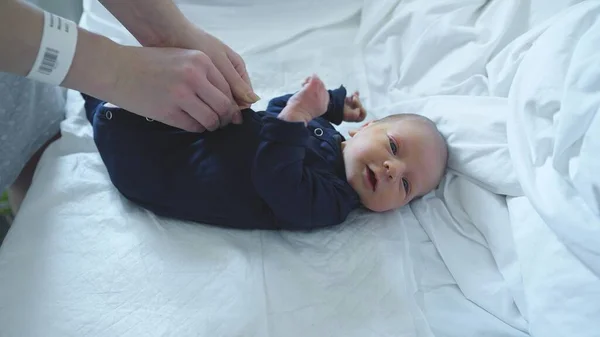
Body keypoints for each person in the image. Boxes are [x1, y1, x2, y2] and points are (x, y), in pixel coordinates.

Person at [82, 74, 448, 231]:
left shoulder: (333, 200)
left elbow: (276, 176)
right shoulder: (329, 134)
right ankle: (92, 85)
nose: (391, 170)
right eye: (395, 148)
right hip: (187, 134)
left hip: (158, 166)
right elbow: (277, 111)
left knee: (112, 114)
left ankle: (96, 94)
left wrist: (300, 115)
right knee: (143, 87)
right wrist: (330, 105)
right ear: (364, 128)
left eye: (404, 186)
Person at [0, 0, 259, 212]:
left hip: (21, 81)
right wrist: (118, 71)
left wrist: (171, 32)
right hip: (20, 50)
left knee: (37, 181)